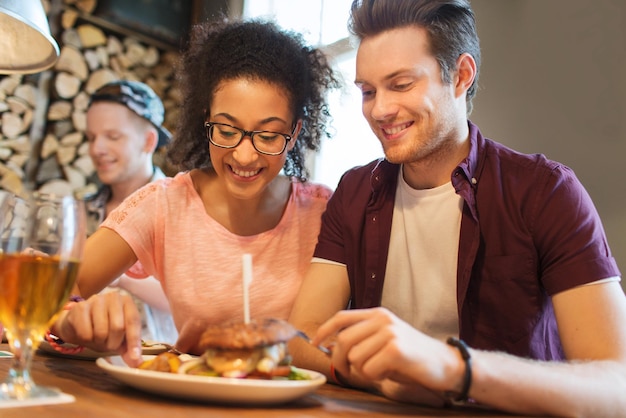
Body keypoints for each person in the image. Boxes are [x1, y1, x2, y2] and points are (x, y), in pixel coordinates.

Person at [288, 1, 626, 416]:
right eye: (368, 91)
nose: (379, 110)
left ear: (461, 76)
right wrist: (380, 379)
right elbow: (301, 339)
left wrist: (451, 367)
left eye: (401, 84)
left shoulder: (545, 191)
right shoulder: (356, 190)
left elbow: (616, 385)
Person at [49, 18, 340, 365]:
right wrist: (70, 321)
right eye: (227, 130)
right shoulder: (164, 205)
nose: (244, 155)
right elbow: (53, 293)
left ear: (293, 134)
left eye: (267, 136)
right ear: (206, 120)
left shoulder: (326, 213)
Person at [83, 80, 177, 343]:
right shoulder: (82, 211)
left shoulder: (182, 207)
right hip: (79, 360)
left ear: (148, 142)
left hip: (157, 364)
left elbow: (196, 300)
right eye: (91, 137)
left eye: (113, 136)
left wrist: (116, 276)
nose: (96, 149)